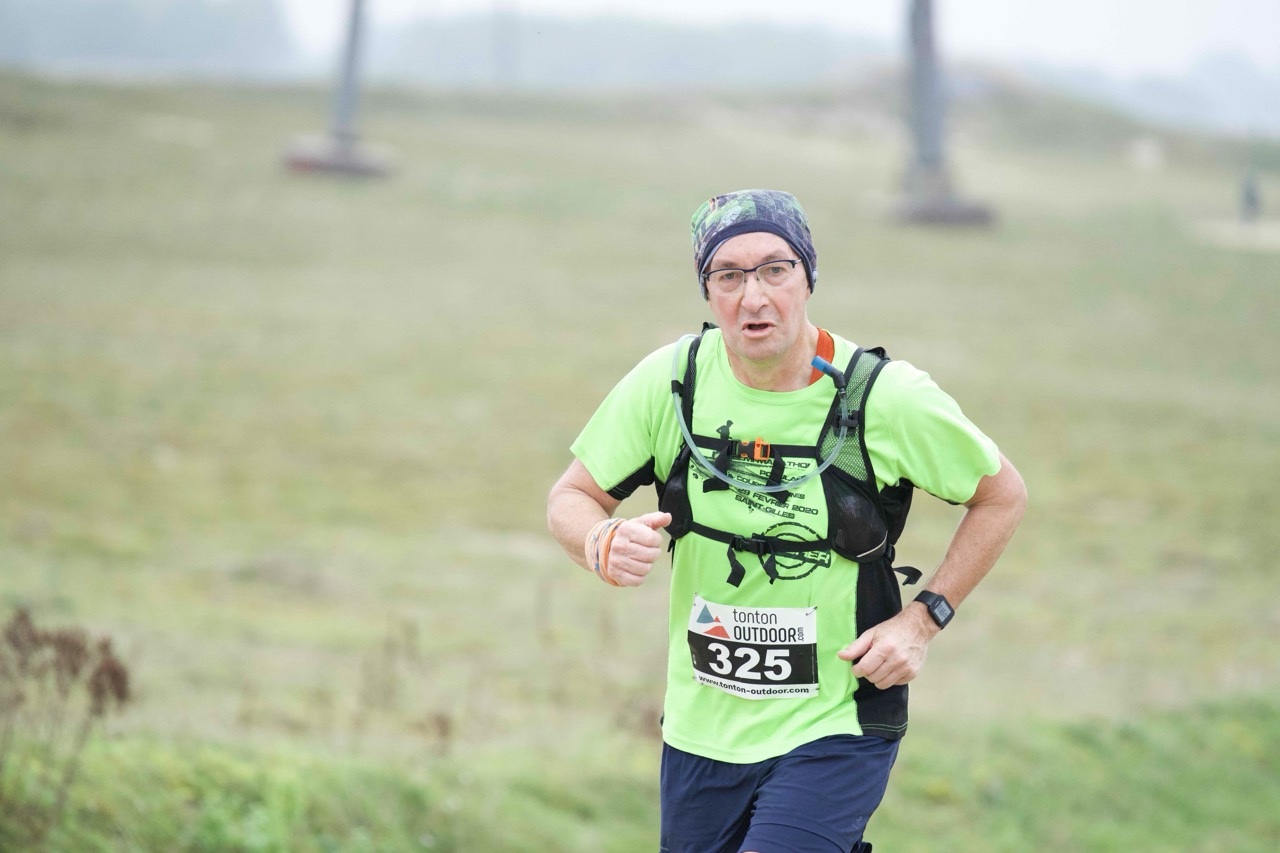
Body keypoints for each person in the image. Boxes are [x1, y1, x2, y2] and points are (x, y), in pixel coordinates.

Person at [547, 189, 1027, 853]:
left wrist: (922, 621)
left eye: (776, 270)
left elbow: (1002, 495)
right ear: (707, 290)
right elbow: (571, 497)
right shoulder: (673, 383)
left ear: (808, 277)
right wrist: (598, 537)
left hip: (837, 719)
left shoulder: (884, 397)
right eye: (728, 276)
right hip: (702, 728)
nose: (754, 297)